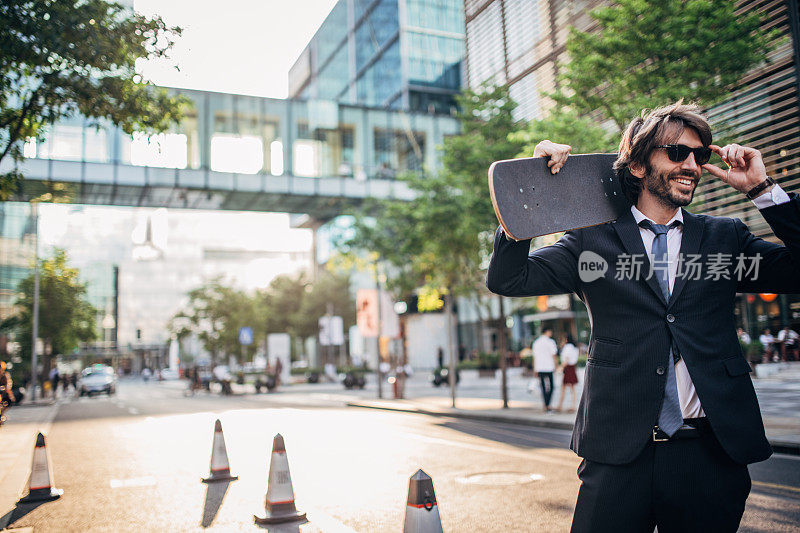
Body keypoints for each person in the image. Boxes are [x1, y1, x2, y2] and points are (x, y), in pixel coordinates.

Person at [486, 101, 800, 532]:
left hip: (709, 455)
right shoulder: (590, 242)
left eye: (700, 155)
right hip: (618, 456)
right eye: (677, 153)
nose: (691, 164)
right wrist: (533, 196)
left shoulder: (725, 238)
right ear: (636, 165)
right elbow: (510, 278)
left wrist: (762, 190)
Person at [531, 328, 559, 413]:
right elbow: (554, 355)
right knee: (551, 387)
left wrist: (534, 369)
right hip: (549, 367)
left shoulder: (536, 342)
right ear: (548, 331)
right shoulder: (551, 342)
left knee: (543, 387)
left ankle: (545, 405)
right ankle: (548, 405)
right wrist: (556, 366)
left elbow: (534, 357)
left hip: (539, 367)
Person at [556, 334, 580, 413]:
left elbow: (566, 360)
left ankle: (560, 405)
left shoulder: (568, 347)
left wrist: (560, 367)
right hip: (572, 367)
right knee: (572, 388)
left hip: (568, 368)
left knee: (563, 387)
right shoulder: (574, 347)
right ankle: (572, 406)